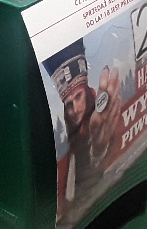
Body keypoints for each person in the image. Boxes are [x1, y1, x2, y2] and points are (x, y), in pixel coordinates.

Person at [44, 40, 121, 220]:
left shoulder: (104, 122)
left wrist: (99, 149)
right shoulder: (66, 147)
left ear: (89, 93)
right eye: (69, 104)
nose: (75, 110)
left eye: (78, 97)